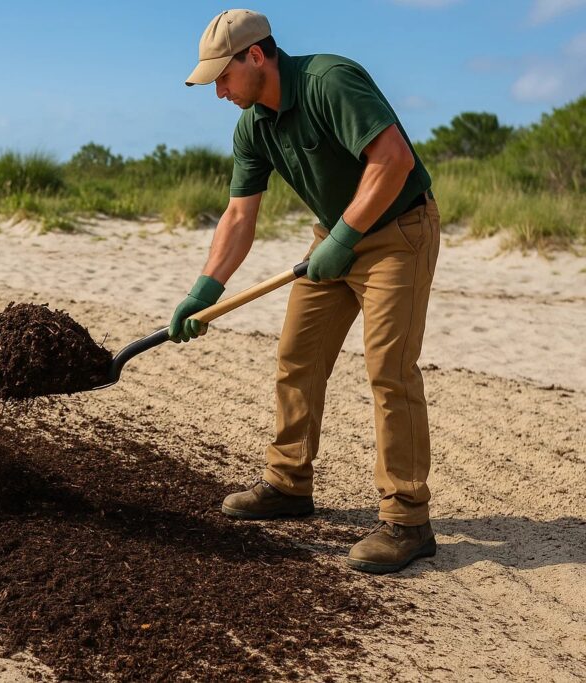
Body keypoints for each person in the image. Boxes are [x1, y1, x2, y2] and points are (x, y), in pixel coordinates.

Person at [174, 9, 440, 574]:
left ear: (256, 56)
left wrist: (345, 236)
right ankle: (289, 484)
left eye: (222, 76)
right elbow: (239, 216)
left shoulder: (330, 82)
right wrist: (206, 288)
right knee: (298, 355)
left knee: (389, 368)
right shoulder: (253, 126)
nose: (217, 90)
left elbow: (392, 159)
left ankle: (408, 520)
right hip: (334, 237)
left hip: (397, 232)